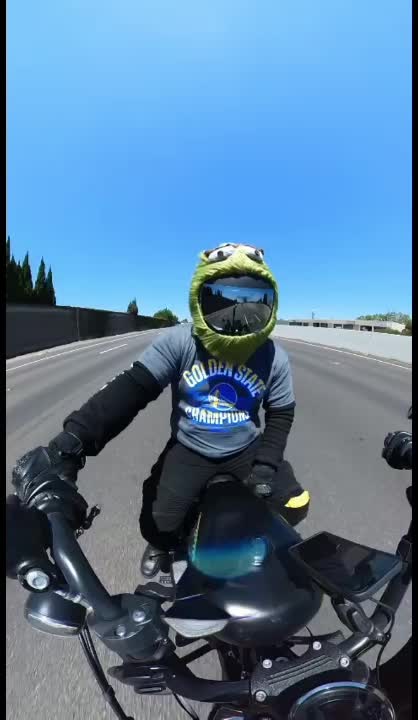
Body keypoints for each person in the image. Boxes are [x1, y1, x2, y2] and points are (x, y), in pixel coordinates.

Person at [10, 243, 310, 579]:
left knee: (294, 504)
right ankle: (161, 546)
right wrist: (72, 441)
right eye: (222, 304)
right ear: (199, 301)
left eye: (253, 305)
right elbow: (132, 390)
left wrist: (266, 465)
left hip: (246, 448)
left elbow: (281, 413)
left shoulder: (274, 356)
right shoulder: (181, 341)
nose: (237, 319)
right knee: (157, 524)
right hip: (190, 448)